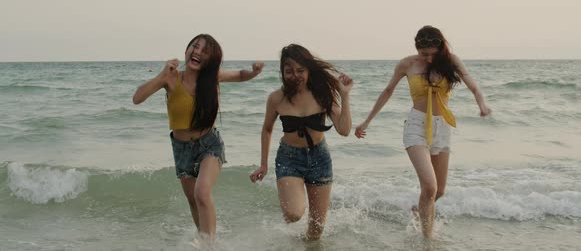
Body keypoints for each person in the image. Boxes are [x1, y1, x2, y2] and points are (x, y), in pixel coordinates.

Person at [354, 25, 492, 238]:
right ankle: (427, 241)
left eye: (432, 55)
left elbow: (474, 86)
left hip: (442, 127)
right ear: (417, 48)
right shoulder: (406, 64)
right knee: (429, 187)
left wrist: (482, 104)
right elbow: (388, 91)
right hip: (416, 126)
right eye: (423, 54)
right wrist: (366, 122)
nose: (428, 59)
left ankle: (419, 211)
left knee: (439, 191)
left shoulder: (451, 61)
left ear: (441, 48)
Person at [132, 34, 264, 239]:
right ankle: (205, 236)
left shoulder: (212, 78)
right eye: (195, 46)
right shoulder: (171, 78)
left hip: (209, 144)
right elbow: (137, 98)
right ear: (187, 49)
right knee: (194, 201)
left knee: (201, 193)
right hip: (181, 148)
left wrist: (254, 72)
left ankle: (209, 246)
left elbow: (238, 75)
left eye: (204, 51)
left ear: (210, 60)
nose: (197, 52)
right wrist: (162, 74)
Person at [249, 44, 353, 240]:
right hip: (289, 158)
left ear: (308, 70)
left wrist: (345, 95)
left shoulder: (322, 94)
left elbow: (344, 130)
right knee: (293, 214)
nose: (295, 76)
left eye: (300, 71)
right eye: (288, 71)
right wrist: (263, 164)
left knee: (316, 230)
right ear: (282, 72)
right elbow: (267, 129)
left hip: (320, 159)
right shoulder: (276, 99)